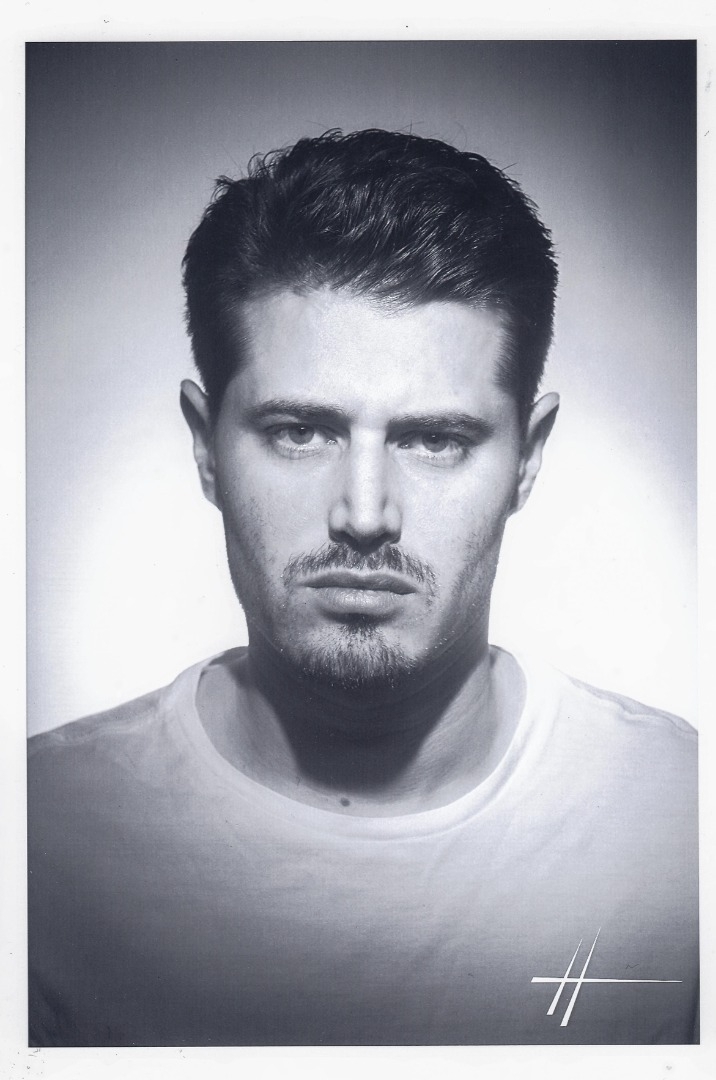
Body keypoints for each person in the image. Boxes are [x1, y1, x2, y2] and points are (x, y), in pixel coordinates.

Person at [28, 129, 698, 1047]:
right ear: (205, 447)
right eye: (301, 432)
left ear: (528, 458)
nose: (366, 513)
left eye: (435, 440)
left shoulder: (683, 828)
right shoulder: (37, 843)